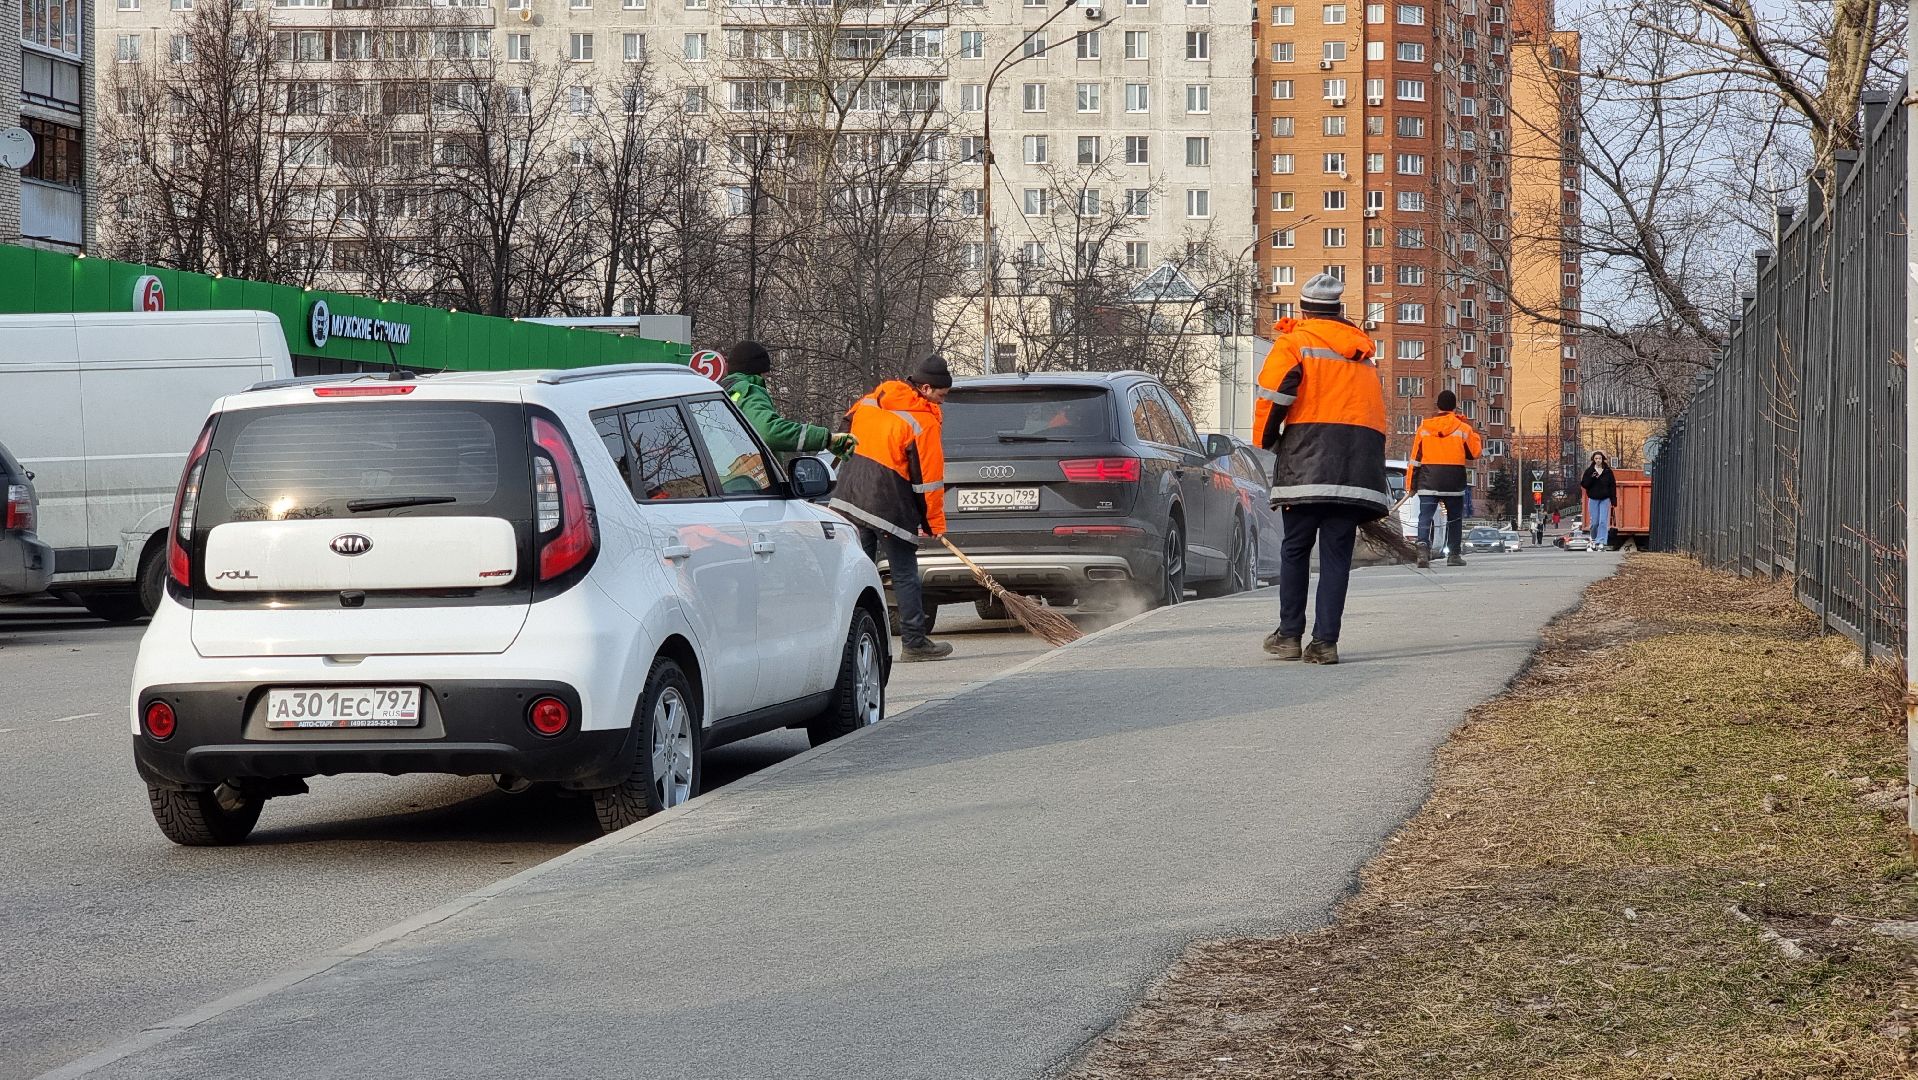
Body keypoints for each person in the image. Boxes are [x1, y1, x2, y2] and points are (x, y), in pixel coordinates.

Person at [1253, 273, 1390, 666]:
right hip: (1356, 469)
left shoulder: (1295, 342)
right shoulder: (1363, 354)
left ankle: (1289, 635)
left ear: (1304, 308)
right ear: (1338, 310)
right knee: (1335, 558)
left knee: (1295, 549)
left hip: (1307, 463)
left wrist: (1266, 440)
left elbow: (1274, 395)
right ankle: (1325, 642)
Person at [829, 355, 954, 661]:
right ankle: (914, 641)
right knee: (904, 573)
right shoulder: (922, 421)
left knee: (856, 574)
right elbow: (929, 481)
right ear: (925, 388)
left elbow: (843, 433)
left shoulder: (873, 399)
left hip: (850, 496)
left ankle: (847, 643)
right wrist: (933, 524)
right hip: (888, 502)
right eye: (941, 395)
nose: (942, 402)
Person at [720, 341, 856, 461]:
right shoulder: (747, 390)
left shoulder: (721, 393)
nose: (766, 377)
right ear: (757, 371)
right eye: (765, 372)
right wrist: (826, 439)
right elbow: (770, 432)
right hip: (747, 483)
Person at [1406, 390, 1482, 569]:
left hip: (1428, 479)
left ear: (1437, 406)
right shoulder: (1462, 428)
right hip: (1453, 481)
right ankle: (1453, 554)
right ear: (1454, 406)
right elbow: (1475, 453)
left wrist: (1411, 485)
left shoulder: (1424, 428)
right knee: (1454, 519)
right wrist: (1472, 431)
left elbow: (1415, 459)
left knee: (1424, 517)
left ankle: (1423, 547)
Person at [1580, 451, 1618, 553]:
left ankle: (1601, 541)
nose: (1598, 460)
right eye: (1596, 458)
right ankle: (1593, 539)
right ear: (1593, 459)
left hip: (1605, 499)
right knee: (1595, 522)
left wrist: (1613, 499)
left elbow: (1612, 486)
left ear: (1603, 459)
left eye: (1599, 458)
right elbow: (1584, 484)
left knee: (1603, 521)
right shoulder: (1589, 471)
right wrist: (1592, 477)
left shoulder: (1608, 471)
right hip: (1593, 499)